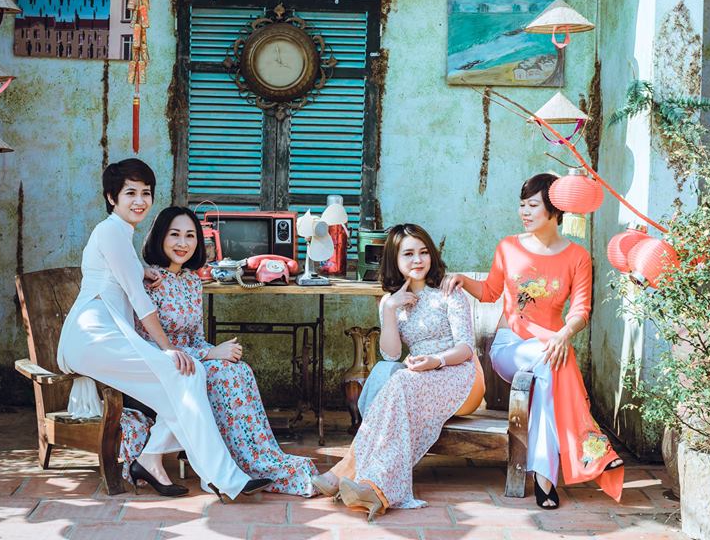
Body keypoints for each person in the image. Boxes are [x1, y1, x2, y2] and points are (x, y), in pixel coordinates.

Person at [55, 159, 271, 499]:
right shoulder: (110, 231)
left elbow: (121, 272)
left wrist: (141, 269)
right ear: (112, 197)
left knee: (186, 378)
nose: (140, 201)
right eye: (130, 193)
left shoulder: (120, 236)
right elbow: (139, 300)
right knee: (180, 372)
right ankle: (223, 478)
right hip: (92, 337)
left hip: (107, 336)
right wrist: (168, 348)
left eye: (146, 193)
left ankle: (156, 461)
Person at [442, 172, 624, 508]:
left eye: (532, 205)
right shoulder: (508, 247)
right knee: (557, 358)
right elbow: (490, 292)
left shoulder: (577, 257)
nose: (524, 212)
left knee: (549, 376)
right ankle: (593, 448)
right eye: (522, 205)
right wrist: (463, 279)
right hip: (509, 348)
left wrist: (564, 334)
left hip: (549, 350)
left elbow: (581, 310)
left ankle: (544, 478)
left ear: (555, 210)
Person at [126, 205, 319, 496]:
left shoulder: (192, 281)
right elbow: (145, 341)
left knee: (238, 370)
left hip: (189, 361)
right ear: (159, 237)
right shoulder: (147, 281)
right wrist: (209, 355)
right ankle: (221, 472)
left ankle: (254, 461)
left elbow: (196, 337)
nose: (182, 243)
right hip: (158, 365)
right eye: (174, 235)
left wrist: (217, 351)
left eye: (190, 236)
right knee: (221, 374)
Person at [311, 224, 477, 519]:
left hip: (458, 373)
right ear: (394, 260)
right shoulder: (391, 302)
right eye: (408, 254)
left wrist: (436, 360)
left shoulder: (448, 292)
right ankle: (373, 487)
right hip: (420, 376)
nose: (418, 260)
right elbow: (390, 355)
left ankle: (345, 472)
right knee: (391, 376)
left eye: (423, 252)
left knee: (399, 381)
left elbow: (466, 348)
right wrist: (389, 310)